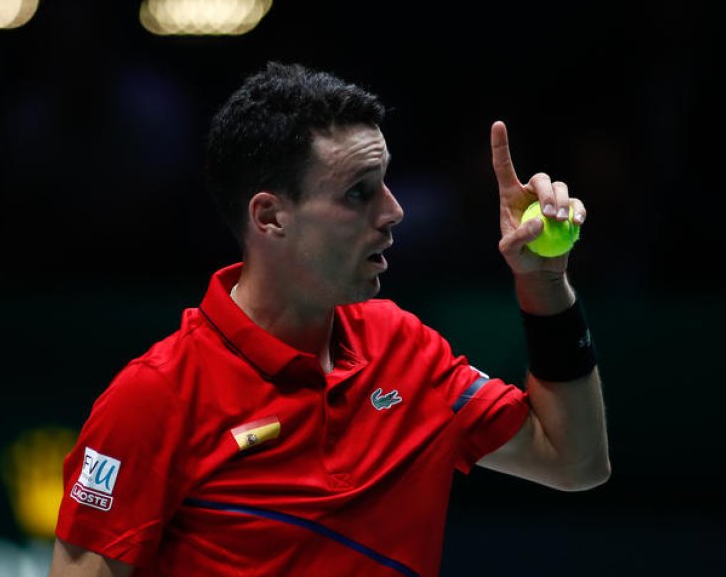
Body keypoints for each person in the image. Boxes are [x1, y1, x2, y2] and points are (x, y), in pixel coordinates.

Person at [48, 62, 610, 577]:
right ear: (270, 216)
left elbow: (574, 460)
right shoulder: (157, 397)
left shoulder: (406, 351)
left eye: (386, 181)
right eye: (358, 192)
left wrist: (544, 282)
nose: (394, 212)